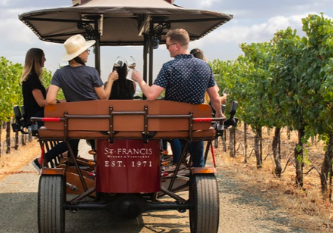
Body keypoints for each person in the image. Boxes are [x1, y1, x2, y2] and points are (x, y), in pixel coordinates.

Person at [132, 29, 223, 167]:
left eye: (168, 45)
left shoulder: (170, 67)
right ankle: (197, 170)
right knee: (199, 163)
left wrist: (140, 80)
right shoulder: (205, 67)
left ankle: (176, 164)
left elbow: (151, 95)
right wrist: (219, 114)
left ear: (177, 46)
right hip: (196, 125)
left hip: (174, 125)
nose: (167, 49)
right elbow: (215, 98)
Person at [45, 34, 119, 163]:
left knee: (73, 136)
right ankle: (100, 163)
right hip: (95, 122)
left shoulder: (59, 73)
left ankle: (68, 163)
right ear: (79, 54)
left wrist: (63, 102)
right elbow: (104, 97)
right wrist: (111, 79)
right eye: (86, 51)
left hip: (74, 122)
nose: (88, 54)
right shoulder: (91, 72)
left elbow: (50, 100)